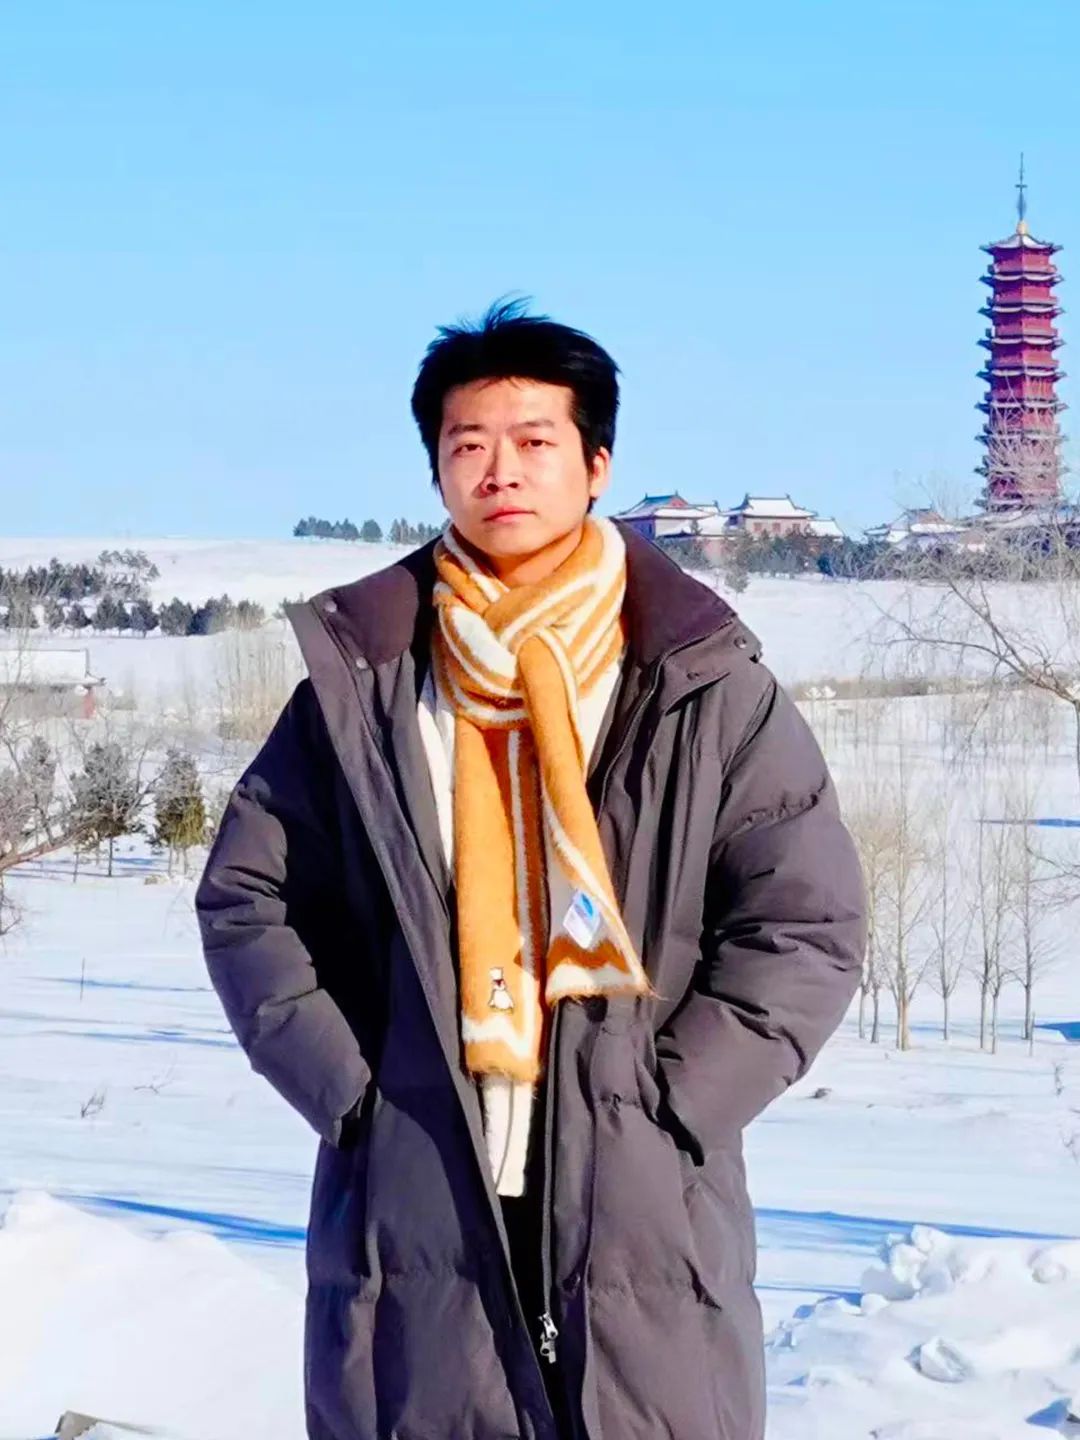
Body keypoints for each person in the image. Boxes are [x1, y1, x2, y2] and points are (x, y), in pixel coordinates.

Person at [195, 300, 867, 1440]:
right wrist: (356, 1093)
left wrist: (675, 1103)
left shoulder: (700, 683)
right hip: (416, 1179)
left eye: (534, 440)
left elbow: (804, 922)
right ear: (436, 470)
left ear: (597, 465)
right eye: (468, 444)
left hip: (643, 1196)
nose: (499, 470)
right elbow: (249, 899)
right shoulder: (368, 686)